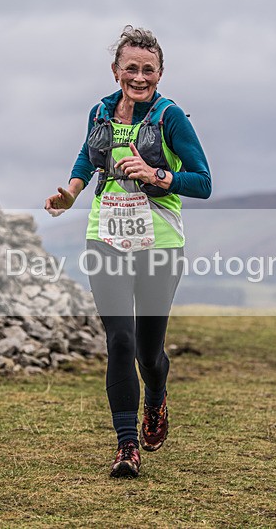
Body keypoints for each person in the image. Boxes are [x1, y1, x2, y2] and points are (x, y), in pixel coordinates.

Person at [44, 25, 211, 478]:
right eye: (131, 68)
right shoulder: (100, 111)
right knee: (118, 339)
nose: (139, 77)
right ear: (116, 70)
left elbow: (203, 182)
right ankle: (125, 446)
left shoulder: (171, 118)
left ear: (160, 74)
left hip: (159, 243)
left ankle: (156, 400)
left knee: (148, 355)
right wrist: (72, 193)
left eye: (148, 70)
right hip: (107, 236)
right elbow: (87, 154)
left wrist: (156, 175)